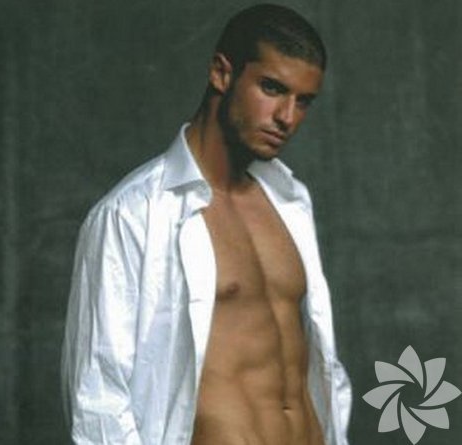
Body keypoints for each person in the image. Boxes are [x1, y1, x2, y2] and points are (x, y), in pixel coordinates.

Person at [61, 4, 352, 445]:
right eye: (272, 88)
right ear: (221, 73)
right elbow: (98, 398)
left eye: (303, 101)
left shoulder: (290, 202)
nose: (288, 117)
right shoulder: (132, 214)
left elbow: (322, 366)